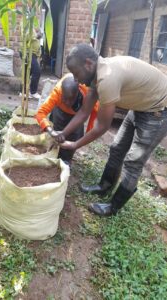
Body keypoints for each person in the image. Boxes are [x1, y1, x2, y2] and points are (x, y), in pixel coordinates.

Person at [52, 43, 167, 216]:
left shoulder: (107, 78)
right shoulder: (96, 74)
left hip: (158, 110)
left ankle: (113, 207)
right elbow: (84, 111)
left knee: (133, 161)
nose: (75, 79)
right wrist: (63, 133)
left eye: (76, 74)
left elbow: (102, 126)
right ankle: (104, 186)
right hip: (141, 105)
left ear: (88, 64)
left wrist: (75, 144)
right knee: (116, 148)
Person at [35, 74, 99, 164]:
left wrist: (88, 133)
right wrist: (51, 131)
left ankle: (66, 160)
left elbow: (92, 113)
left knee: (74, 137)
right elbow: (40, 113)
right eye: (65, 98)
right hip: (60, 112)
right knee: (56, 136)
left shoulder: (86, 93)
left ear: (77, 93)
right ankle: (53, 155)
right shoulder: (57, 93)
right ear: (61, 94)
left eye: (71, 99)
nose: (68, 102)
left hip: (77, 116)